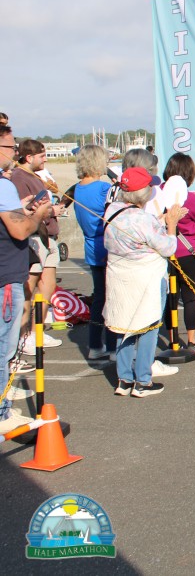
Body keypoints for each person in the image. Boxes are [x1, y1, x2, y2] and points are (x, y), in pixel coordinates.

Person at [104, 167, 186, 397]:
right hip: (146, 276)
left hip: (119, 276)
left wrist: (160, 221)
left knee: (123, 325)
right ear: (144, 192)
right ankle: (143, 381)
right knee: (149, 326)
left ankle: (124, 379)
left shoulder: (112, 210)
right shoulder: (143, 219)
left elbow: (140, 234)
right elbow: (168, 247)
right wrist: (171, 224)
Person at [0, 124, 54, 431]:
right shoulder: (4, 185)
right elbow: (20, 229)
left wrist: (22, 209)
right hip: (6, 275)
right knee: (3, 349)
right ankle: (2, 413)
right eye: (11, 148)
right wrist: (37, 214)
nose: (15, 153)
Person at [10, 139, 65, 352]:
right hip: (34, 236)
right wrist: (51, 211)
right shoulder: (18, 177)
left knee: (47, 285)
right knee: (29, 287)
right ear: (29, 157)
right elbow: (26, 209)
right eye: (42, 156)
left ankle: (36, 331)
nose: (45, 160)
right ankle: (23, 335)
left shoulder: (37, 176)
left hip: (48, 235)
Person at [65, 144, 119, 359]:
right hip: (106, 245)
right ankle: (114, 347)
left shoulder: (78, 188)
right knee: (112, 298)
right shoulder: (102, 188)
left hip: (91, 246)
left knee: (99, 298)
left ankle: (95, 345)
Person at [161, 153, 195, 352]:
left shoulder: (159, 193)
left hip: (164, 251)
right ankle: (191, 340)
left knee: (170, 298)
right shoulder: (189, 199)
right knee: (190, 297)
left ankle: (173, 339)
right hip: (188, 252)